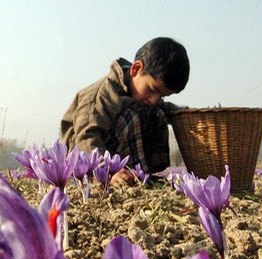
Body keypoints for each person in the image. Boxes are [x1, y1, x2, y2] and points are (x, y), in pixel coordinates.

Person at [60, 37, 189, 185]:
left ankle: (141, 175)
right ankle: (118, 178)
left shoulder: (143, 93)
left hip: (116, 157)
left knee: (157, 113)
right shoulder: (101, 96)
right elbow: (87, 137)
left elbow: (167, 109)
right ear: (136, 69)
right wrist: (107, 172)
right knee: (130, 117)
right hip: (83, 161)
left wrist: (189, 116)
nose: (154, 99)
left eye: (162, 96)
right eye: (152, 90)